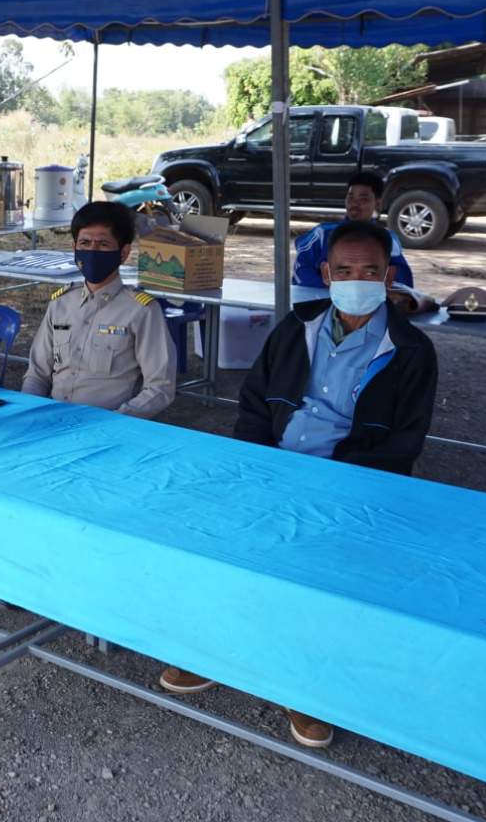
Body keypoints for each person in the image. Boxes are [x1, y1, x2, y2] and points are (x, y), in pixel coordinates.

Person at [157, 220, 438, 750]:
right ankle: (215, 650)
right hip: (275, 467)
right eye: (345, 270)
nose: (357, 280)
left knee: (319, 577)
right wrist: (256, 465)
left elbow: (404, 442)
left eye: (371, 271)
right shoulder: (297, 327)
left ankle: (307, 685)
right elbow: (254, 402)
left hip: (350, 483)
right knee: (227, 548)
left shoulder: (410, 349)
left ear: (389, 277)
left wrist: (337, 484)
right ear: (327, 274)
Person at [22, 201, 176, 420]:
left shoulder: (141, 311)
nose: (92, 251)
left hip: (108, 425)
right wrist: (28, 412)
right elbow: (37, 374)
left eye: (103, 244)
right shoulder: (61, 304)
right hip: (53, 420)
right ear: (74, 248)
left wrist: (113, 421)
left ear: (123, 253)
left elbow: (160, 388)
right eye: (84, 243)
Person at [292, 171, 415, 289]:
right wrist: (333, 290)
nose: (354, 204)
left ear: (377, 203)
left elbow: (402, 281)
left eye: (363, 199)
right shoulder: (322, 234)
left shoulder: (387, 239)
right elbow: (301, 270)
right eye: (350, 198)